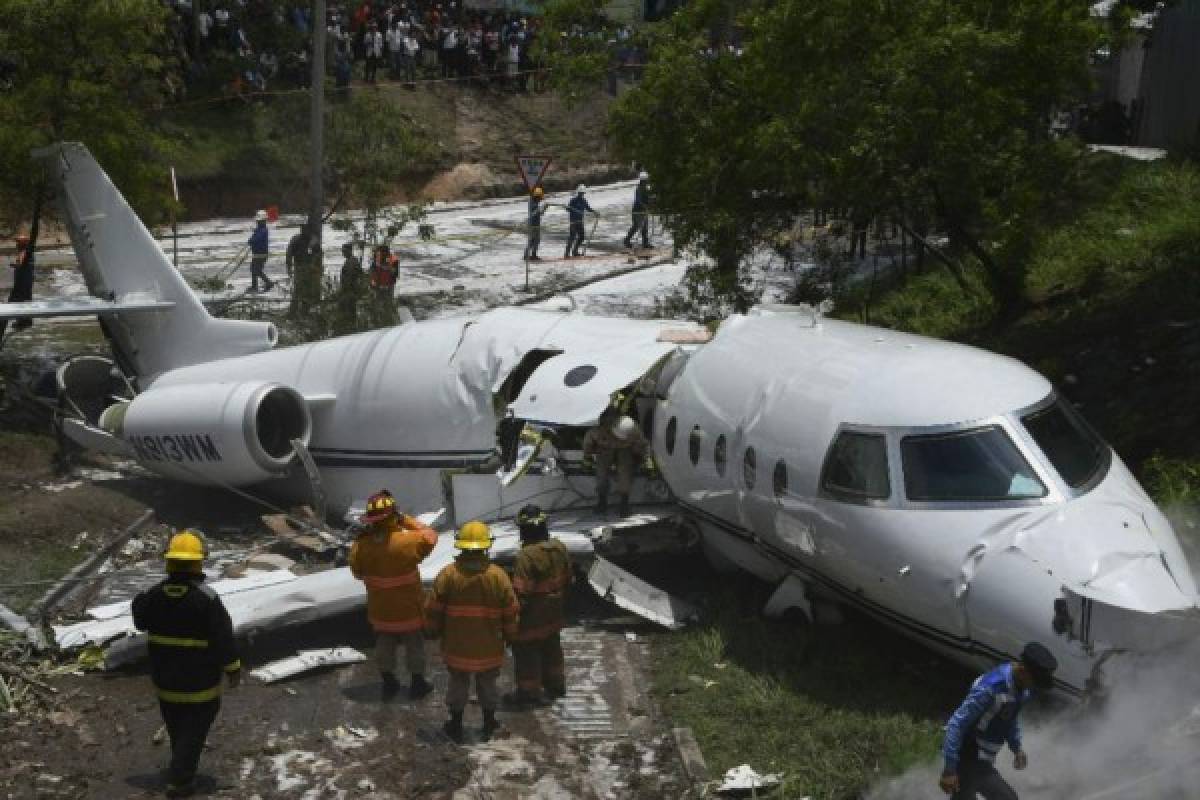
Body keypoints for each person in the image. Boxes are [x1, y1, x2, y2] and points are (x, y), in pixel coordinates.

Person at [132, 530, 241, 798]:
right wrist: (233, 668)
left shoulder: (151, 595)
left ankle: (180, 764)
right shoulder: (206, 599)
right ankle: (180, 782)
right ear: (198, 563)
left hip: (165, 681)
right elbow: (222, 638)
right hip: (199, 683)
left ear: (169, 562)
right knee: (195, 729)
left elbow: (139, 620)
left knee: (177, 725)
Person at [425, 520, 519, 743]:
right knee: (488, 684)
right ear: (486, 546)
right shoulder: (498, 576)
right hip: (489, 647)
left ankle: (455, 724)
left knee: (458, 683)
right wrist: (511, 636)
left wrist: (432, 631)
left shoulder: (448, 575)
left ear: (461, 546)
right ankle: (489, 722)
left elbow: (433, 609)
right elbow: (511, 611)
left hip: (457, 646)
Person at [349, 490, 438, 699]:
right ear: (393, 516)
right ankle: (417, 683)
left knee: (384, 644)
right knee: (414, 645)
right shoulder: (409, 541)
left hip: (380, 611)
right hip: (409, 609)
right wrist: (406, 519)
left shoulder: (361, 545)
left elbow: (356, 572)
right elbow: (431, 536)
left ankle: (389, 682)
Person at [939, 642, 1059, 800]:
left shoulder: (1021, 688)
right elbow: (957, 725)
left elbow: (1010, 717)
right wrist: (949, 770)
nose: (1034, 686)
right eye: (1035, 681)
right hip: (968, 756)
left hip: (982, 760)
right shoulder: (990, 688)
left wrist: (1016, 748)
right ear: (1023, 671)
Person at [506, 505, 572, 708]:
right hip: (554, 613)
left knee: (527, 652)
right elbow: (569, 579)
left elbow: (521, 593)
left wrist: (512, 617)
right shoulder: (559, 547)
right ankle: (556, 685)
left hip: (532, 617)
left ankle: (528, 692)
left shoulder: (525, 556)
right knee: (552, 647)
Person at [582, 409, 647, 517]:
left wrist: (646, 460)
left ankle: (624, 504)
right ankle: (602, 502)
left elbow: (644, 445)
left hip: (625, 449)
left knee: (625, 472)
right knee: (601, 472)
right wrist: (587, 457)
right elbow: (588, 440)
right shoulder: (598, 431)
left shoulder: (634, 430)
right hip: (605, 448)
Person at [335, 241, 363, 335]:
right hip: (351, 290)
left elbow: (349, 278)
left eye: (344, 251)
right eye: (342, 251)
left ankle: (350, 331)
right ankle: (351, 329)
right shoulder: (352, 260)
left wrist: (342, 291)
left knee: (349, 311)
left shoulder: (351, 262)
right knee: (350, 311)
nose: (342, 253)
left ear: (349, 251)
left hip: (349, 291)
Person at [368, 244, 400, 326]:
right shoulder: (377, 259)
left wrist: (385, 266)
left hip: (388, 286)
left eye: (381, 252)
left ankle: (390, 322)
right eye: (379, 252)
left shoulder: (393, 259)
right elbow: (372, 272)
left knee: (388, 305)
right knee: (378, 305)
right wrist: (372, 283)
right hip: (378, 286)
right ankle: (379, 322)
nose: (379, 254)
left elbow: (395, 273)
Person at [564, 185, 595, 259]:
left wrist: (594, 212)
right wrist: (570, 208)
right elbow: (568, 209)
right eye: (581, 193)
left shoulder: (584, 201)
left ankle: (575, 251)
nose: (582, 194)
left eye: (583, 193)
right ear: (578, 193)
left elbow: (588, 208)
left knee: (582, 237)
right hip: (573, 222)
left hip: (580, 222)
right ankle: (566, 254)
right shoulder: (573, 200)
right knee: (572, 237)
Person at [623, 171, 651, 250]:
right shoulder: (639, 189)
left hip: (643, 210)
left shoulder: (645, 188)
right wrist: (645, 206)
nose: (647, 181)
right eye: (646, 180)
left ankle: (645, 243)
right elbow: (638, 200)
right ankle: (626, 240)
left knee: (645, 227)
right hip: (637, 211)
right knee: (636, 226)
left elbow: (648, 198)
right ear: (643, 180)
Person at [247, 210, 273, 292]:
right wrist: (251, 240)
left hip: (261, 254)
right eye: (257, 221)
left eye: (259, 221)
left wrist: (251, 241)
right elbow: (252, 239)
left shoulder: (263, 230)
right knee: (253, 268)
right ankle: (254, 286)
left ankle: (268, 283)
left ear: (263, 221)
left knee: (256, 270)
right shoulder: (258, 229)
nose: (258, 222)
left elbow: (256, 239)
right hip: (256, 253)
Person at [524, 186, 548, 261]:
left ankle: (533, 255)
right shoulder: (532, 202)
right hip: (532, 225)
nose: (540, 200)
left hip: (537, 224)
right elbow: (536, 211)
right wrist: (542, 207)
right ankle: (526, 255)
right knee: (532, 240)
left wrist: (544, 208)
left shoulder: (536, 202)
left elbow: (540, 213)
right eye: (540, 198)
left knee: (537, 240)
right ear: (536, 196)